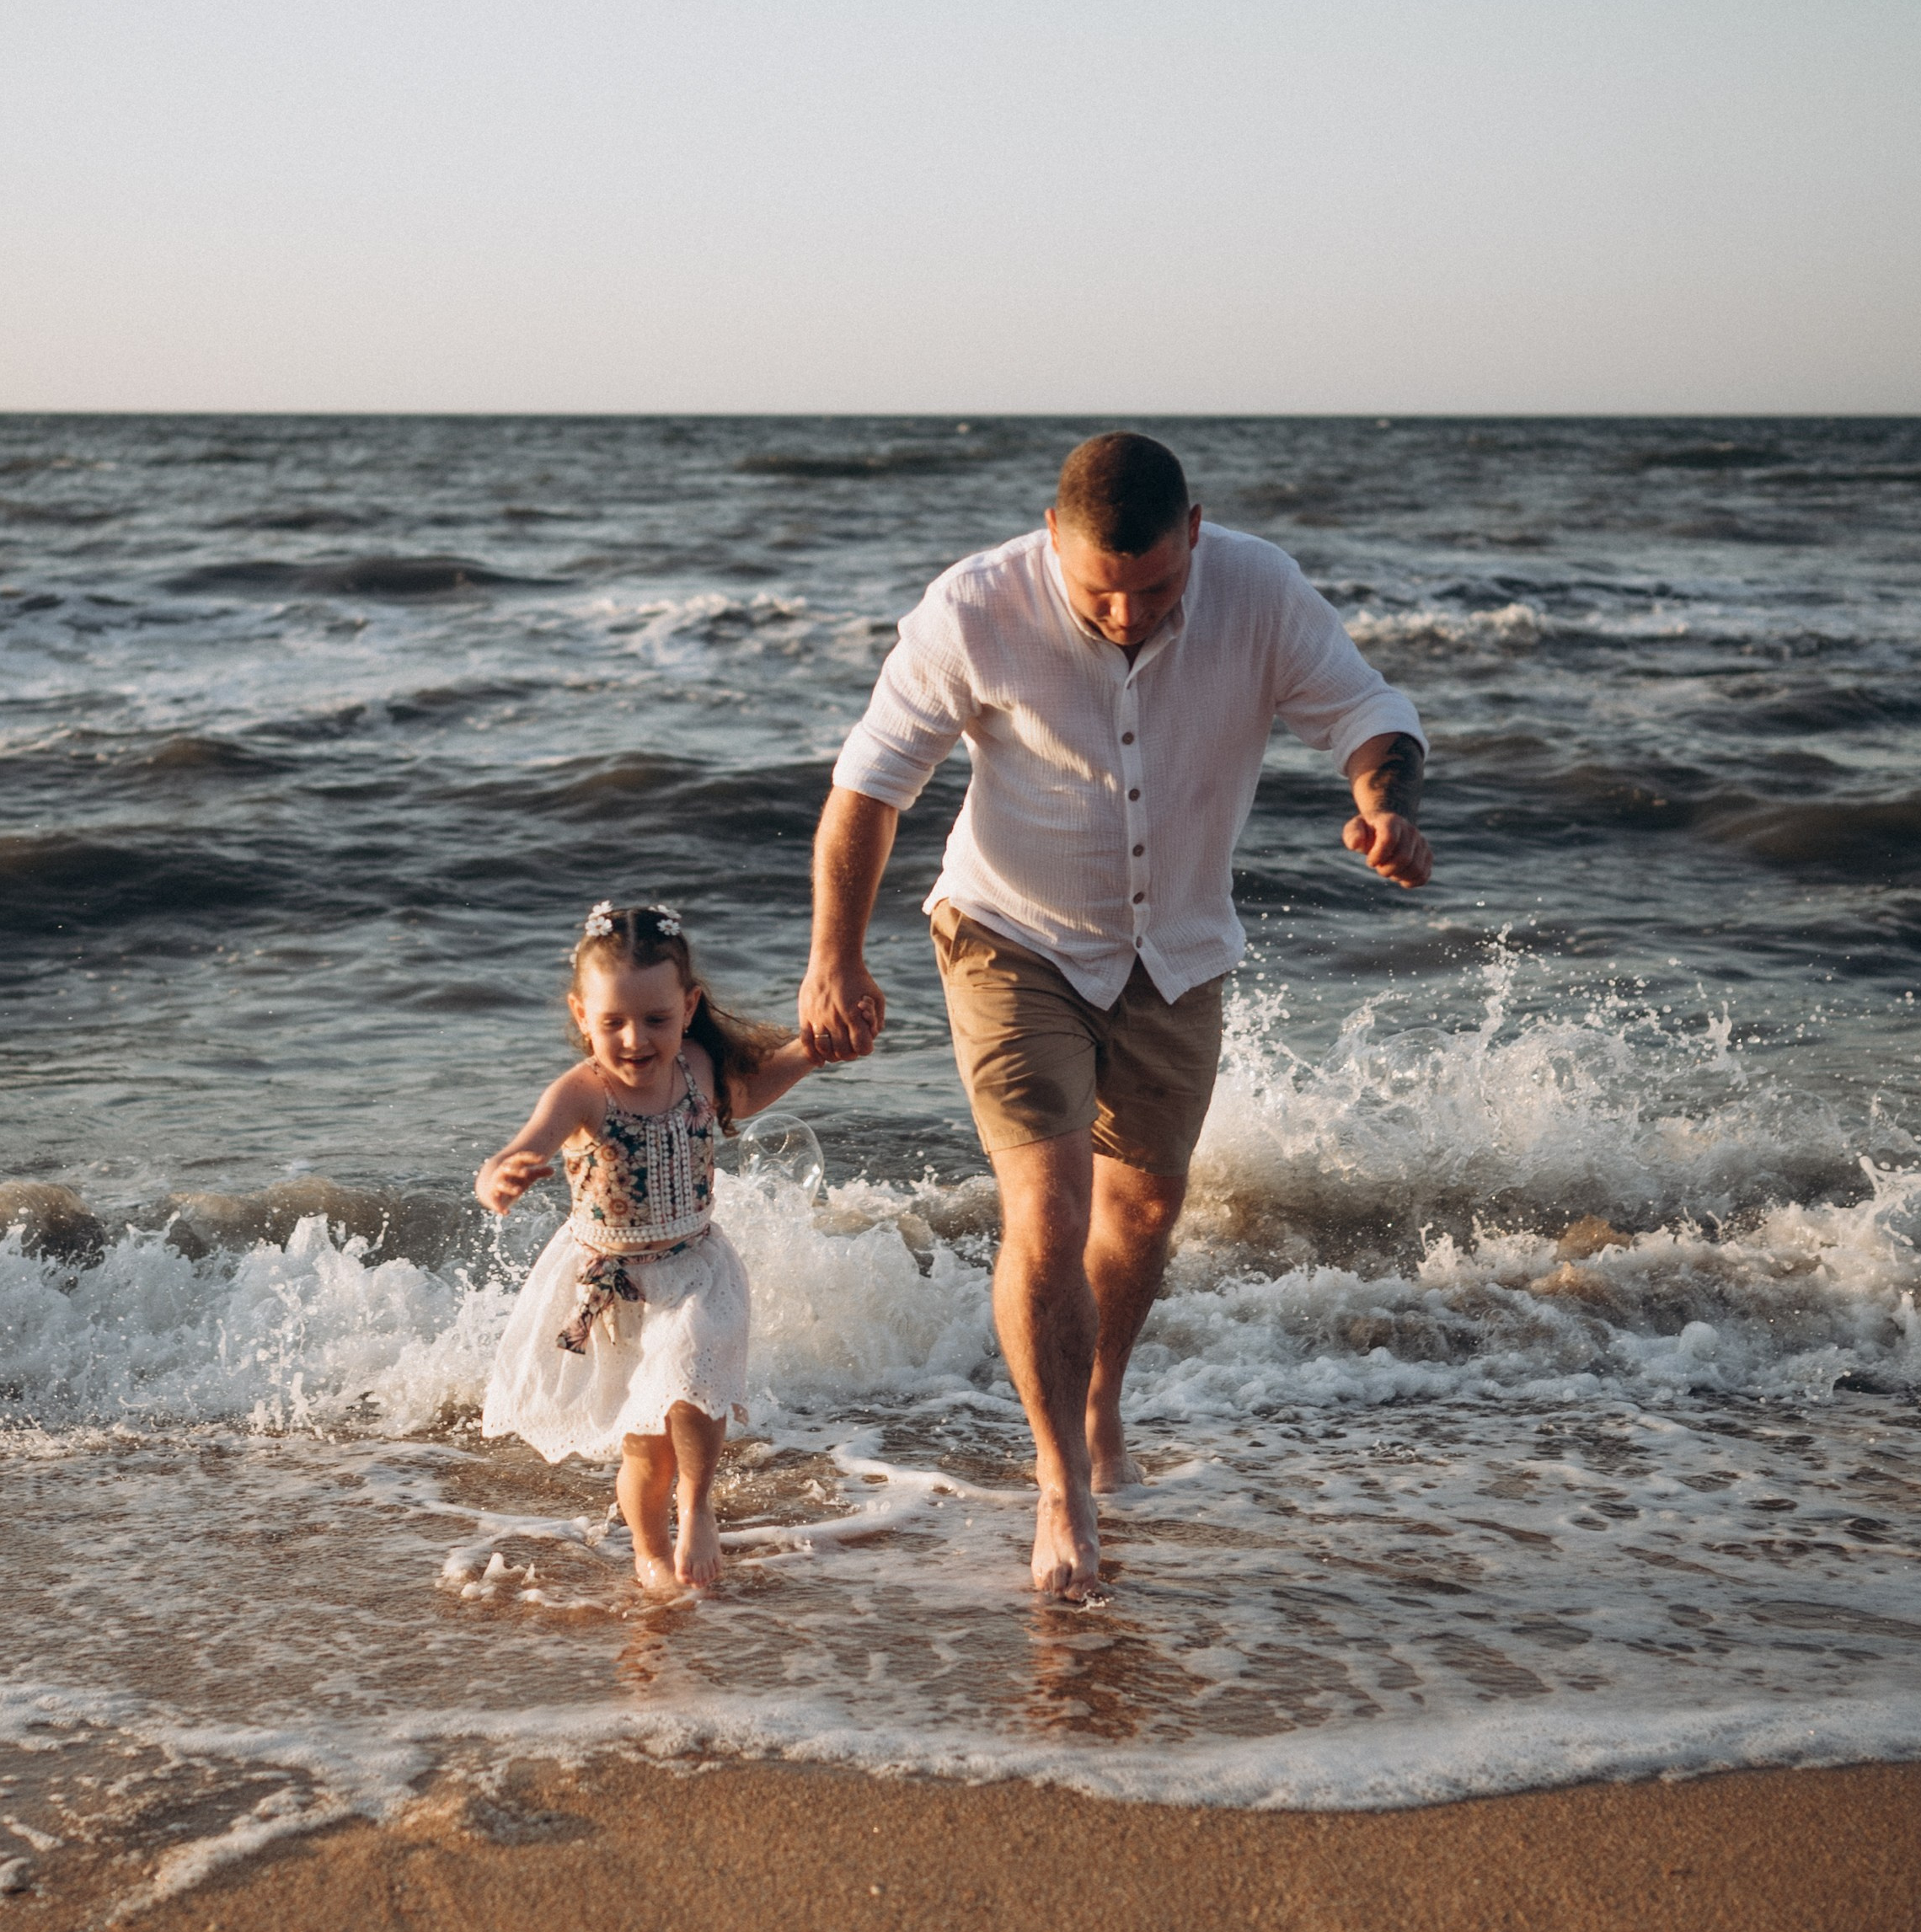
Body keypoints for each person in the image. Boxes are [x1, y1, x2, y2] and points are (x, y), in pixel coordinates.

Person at [799, 430, 1431, 1602]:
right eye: (1103, 590)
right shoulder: (974, 608)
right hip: (1010, 934)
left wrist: (1381, 803)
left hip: (1177, 950)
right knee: (1049, 1197)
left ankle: (1099, 1409)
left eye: (1156, 587)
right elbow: (867, 788)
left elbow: (1368, 711)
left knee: (1144, 1208)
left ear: (1195, 532)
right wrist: (833, 957)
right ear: (1052, 540)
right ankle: (1060, 1485)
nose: (1132, 612)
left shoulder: (1257, 587)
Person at [475, 899, 824, 1592]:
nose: (635, 1040)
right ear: (582, 1016)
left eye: (656, 1019)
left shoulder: (696, 1065)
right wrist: (499, 1178)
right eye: (613, 1023)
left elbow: (748, 1093)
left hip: (694, 1267)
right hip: (614, 1288)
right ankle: (649, 1552)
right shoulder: (582, 1093)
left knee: (694, 1386)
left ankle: (698, 1509)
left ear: (689, 1007)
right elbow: (522, 1147)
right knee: (645, 1451)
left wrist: (812, 1049)